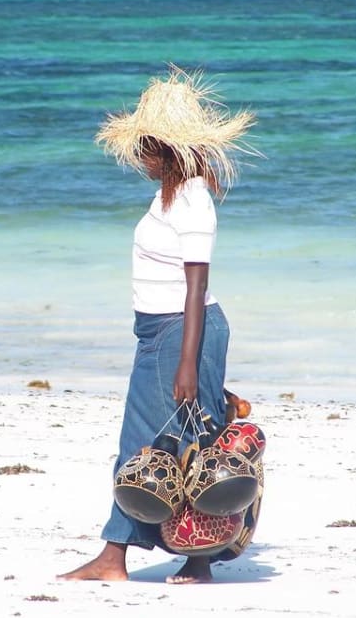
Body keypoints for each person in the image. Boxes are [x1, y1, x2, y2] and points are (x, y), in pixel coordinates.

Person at [58, 65, 258, 585]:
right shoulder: (168, 194)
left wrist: (188, 363)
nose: (140, 158)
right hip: (161, 333)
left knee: (159, 446)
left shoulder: (193, 200)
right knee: (185, 442)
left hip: (180, 331)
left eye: (147, 149)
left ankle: (119, 557)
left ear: (168, 150)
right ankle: (192, 559)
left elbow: (196, 286)